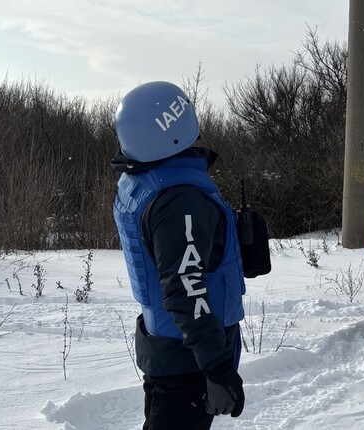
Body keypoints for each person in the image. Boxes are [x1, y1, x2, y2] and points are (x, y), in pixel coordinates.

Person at [111, 81, 245, 429]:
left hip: (171, 345)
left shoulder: (143, 180)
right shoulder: (179, 198)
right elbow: (186, 286)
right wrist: (217, 368)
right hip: (190, 356)